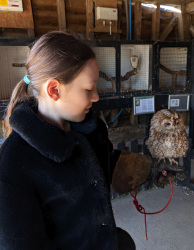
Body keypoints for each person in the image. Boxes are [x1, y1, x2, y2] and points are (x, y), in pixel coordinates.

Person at [0, 31, 152, 250]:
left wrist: (147, 168)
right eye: (88, 89)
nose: (96, 96)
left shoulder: (90, 128)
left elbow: (99, 167)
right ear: (54, 90)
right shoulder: (13, 164)